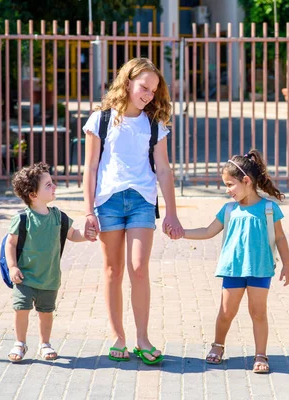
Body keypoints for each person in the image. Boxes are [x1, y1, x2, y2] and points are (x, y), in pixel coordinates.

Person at [82, 57, 183, 365]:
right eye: (144, 87)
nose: (149, 94)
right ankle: (118, 337)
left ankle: (142, 338)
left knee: (139, 268)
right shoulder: (100, 120)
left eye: (154, 90)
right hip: (108, 201)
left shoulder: (155, 125)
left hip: (141, 200)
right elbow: (90, 168)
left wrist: (171, 212)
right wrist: (88, 211)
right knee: (113, 271)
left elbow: (164, 170)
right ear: (127, 82)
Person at [181, 149, 289, 373]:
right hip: (232, 270)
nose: (227, 190)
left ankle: (260, 354)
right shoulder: (229, 209)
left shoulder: (269, 209)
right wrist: (181, 232)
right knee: (226, 312)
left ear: (246, 181)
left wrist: (287, 266)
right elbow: (207, 231)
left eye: (230, 184)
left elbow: (280, 237)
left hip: (260, 270)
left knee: (258, 312)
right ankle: (217, 345)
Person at [5, 162, 91, 362]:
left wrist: (86, 235)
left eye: (52, 183)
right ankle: (20, 343)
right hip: (24, 277)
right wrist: (12, 267)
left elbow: (72, 234)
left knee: (46, 312)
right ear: (33, 195)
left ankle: (45, 343)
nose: (54, 187)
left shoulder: (58, 216)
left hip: (49, 278)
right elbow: (10, 244)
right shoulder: (23, 219)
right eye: (48, 185)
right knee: (21, 309)